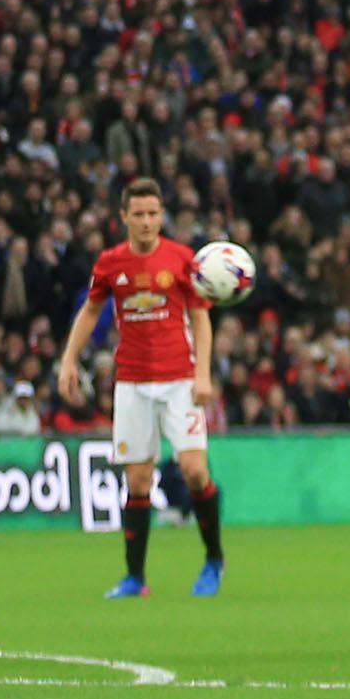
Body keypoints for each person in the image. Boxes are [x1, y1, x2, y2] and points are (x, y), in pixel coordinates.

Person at [56, 177, 227, 599]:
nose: (147, 221)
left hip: (179, 379)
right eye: (139, 214)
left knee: (195, 470)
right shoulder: (110, 263)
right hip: (132, 382)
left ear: (162, 215)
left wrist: (203, 374)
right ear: (124, 217)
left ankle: (213, 559)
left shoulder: (182, 259)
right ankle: (135, 577)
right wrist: (69, 360)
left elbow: (200, 318)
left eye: (153, 213)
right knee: (137, 481)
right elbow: (90, 311)